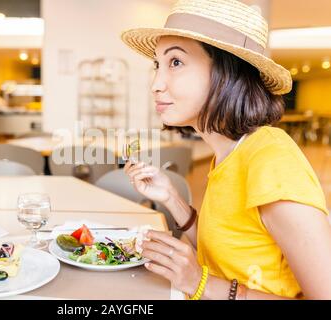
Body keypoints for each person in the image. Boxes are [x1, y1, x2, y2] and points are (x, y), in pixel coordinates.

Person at [122, 0, 330, 300]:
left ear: (227, 73)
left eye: (176, 62)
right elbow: (224, 249)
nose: (156, 83)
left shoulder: (271, 158)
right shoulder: (228, 152)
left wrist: (199, 283)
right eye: (158, 64)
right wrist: (170, 197)